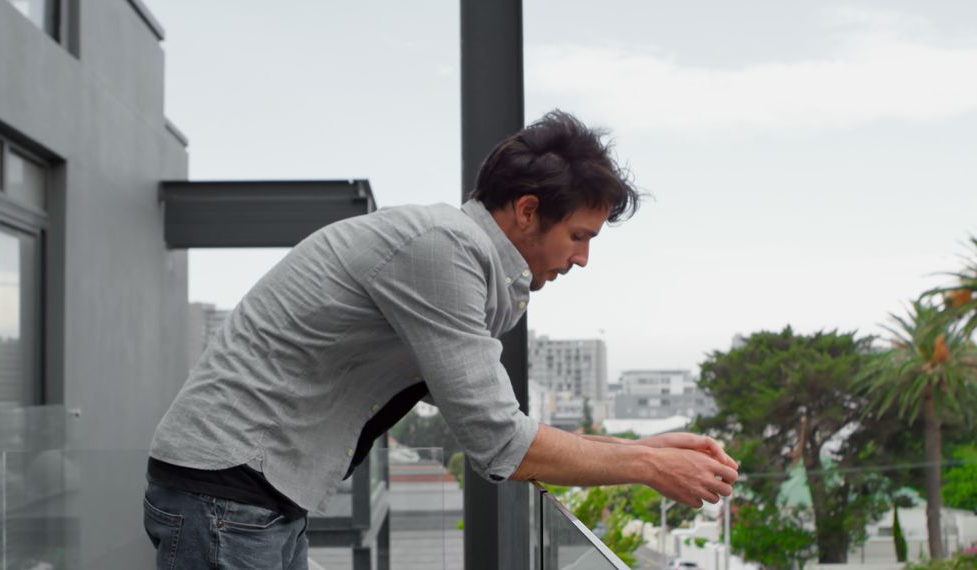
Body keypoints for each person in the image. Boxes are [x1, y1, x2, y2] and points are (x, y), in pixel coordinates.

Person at [144, 110, 739, 570]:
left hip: (253, 495)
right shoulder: (442, 250)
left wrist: (652, 449)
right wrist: (646, 465)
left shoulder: (458, 258)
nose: (583, 259)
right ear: (528, 211)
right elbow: (502, 444)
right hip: (226, 495)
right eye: (579, 236)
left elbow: (495, 420)